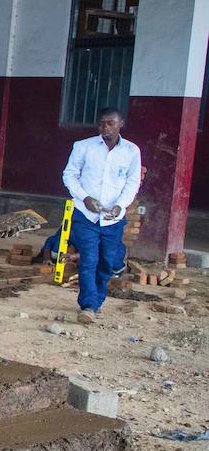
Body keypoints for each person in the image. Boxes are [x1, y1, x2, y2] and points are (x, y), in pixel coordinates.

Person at [62, 107, 141, 324]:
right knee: (89, 260)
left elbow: (133, 182)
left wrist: (121, 205)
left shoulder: (131, 151)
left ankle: (96, 301)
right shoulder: (83, 147)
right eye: (102, 123)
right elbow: (69, 174)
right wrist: (84, 197)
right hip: (86, 215)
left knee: (107, 262)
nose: (105, 127)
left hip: (112, 218)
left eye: (110, 123)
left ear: (120, 124)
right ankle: (88, 305)